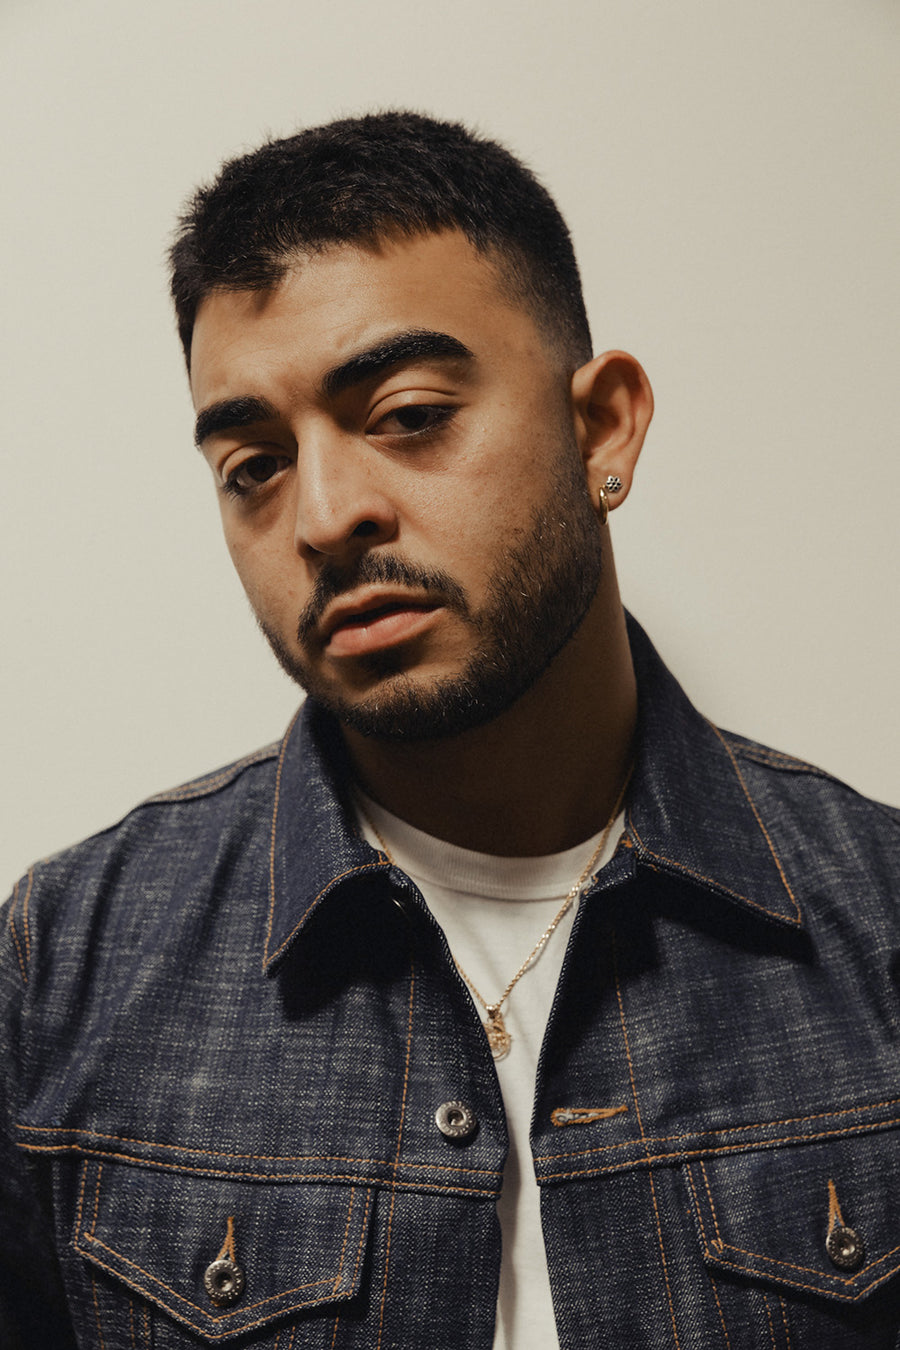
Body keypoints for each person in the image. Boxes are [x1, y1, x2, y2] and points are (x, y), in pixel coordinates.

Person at [2, 111, 899, 1350]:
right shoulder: (67, 964)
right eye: (254, 465)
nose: (323, 516)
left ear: (603, 428)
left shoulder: (880, 924)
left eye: (409, 412)